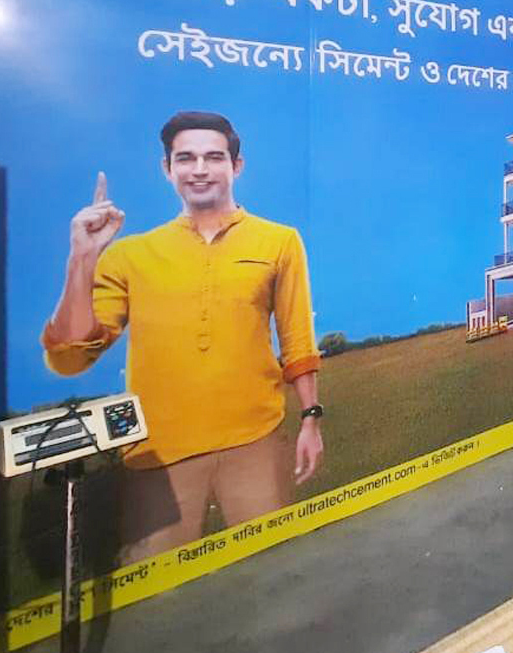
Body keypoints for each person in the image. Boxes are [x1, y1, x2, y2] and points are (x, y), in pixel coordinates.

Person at [42, 111, 324, 562]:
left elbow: (297, 341)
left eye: (214, 157)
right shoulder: (131, 255)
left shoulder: (279, 241)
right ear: (167, 169)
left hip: (256, 442)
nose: (200, 169)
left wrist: (310, 418)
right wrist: (82, 258)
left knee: (273, 571)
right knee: (158, 591)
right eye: (186, 158)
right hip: (157, 455)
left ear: (236, 166)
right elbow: (70, 358)